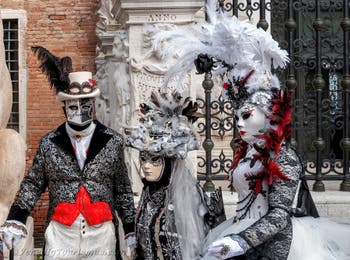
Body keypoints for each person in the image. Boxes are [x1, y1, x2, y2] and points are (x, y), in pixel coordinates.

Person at [148, 1, 350, 259]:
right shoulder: (247, 153)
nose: (239, 123)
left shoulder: (283, 157)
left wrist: (241, 241)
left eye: (246, 116)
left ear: (266, 115)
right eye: (236, 117)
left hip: (276, 244)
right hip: (239, 230)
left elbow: (278, 215)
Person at [0, 46, 136, 260]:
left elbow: (123, 190)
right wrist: (16, 219)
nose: (80, 110)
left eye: (86, 103)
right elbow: (33, 184)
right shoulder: (49, 143)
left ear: (93, 103)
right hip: (61, 233)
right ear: (64, 106)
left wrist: (130, 229)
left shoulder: (113, 141)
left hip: (101, 234)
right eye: (73, 105)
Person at [126, 91, 225, 259]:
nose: (146, 166)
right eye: (143, 159)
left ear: (170, 161)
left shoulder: (189, 197)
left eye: (155, 159)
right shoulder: (149, 193)